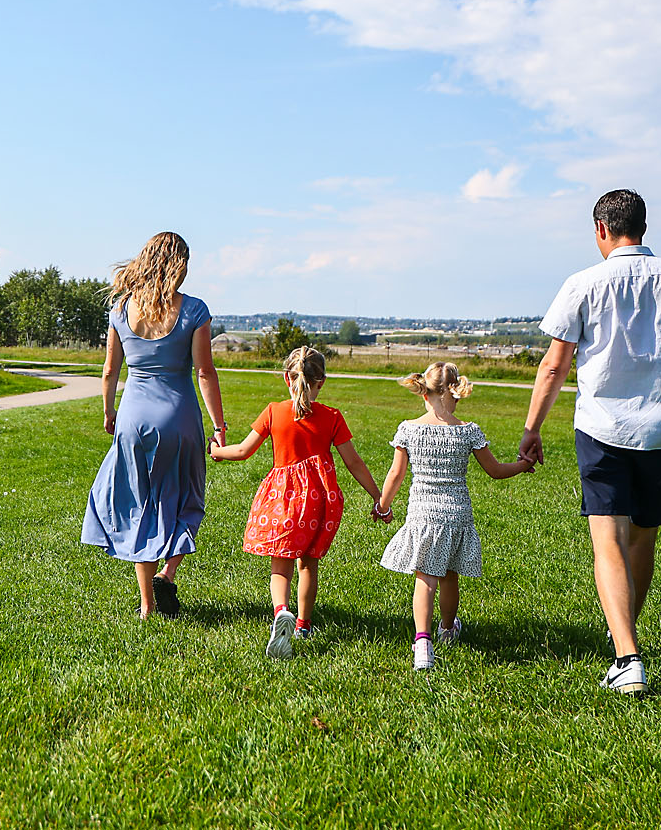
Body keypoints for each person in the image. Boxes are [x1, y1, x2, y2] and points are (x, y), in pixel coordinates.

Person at [519, 189, 661, 696]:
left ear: (601, 229)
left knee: (608, 538)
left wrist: (532, 429)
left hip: (602, 427)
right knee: (642, 535)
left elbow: (553, 365)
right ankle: (626, 642)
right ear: (643, 228)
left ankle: (627, 654)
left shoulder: (583, 283)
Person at [82, 232, 227, 619]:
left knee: (138, 505)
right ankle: (168, 573)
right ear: (180, 266)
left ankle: (146, 605)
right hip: (179, 417)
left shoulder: (120, 310)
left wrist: (109, 412)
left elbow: (111, 370)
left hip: (133, 416)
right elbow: (205, 372)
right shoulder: (194, 310)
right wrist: (219, 425)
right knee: (184, 499)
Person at [209, 346, 385, 659]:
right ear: (322, 382)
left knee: (281, 563)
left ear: (285, 378)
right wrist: (377, 496)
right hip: (318, 502)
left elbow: (242, 451)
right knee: (308, 564)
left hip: (281, 500)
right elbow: (354, 463)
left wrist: (214, 450)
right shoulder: (332, 417)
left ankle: (280, 612)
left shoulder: (274, 411)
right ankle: (303, 625)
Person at [376, 363, 533, 670]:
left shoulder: (409, 428)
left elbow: (396, 474)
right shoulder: (468, 431)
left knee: (425, 577)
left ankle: (423, 641)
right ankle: (448, 629)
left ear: (424, 393)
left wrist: (383, 505)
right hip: (456, 514)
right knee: (449, 575)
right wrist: (523, 465)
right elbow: (496, 471)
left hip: (422, 513)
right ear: (457, 394)